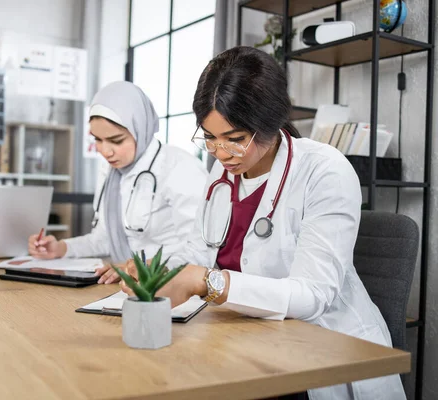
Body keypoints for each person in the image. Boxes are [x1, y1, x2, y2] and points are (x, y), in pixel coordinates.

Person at [121, 47, 405, 399]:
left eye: (235, 139)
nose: (221, 153)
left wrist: (208, 282)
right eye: (209, 138)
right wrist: (158, 270)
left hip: (319, 350)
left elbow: (311, 296)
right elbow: (201, 249)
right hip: (240, 338)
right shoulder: (222, 172)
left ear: (270, 122)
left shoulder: (324, 171)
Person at [28, 81, 207, 284]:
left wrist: (142, 267)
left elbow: (201, 251)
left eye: (116, 140)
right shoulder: (111, 172)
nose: (106, 151)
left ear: (141, 128)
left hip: (172, 286)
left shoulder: (179, 168)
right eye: (98, 139)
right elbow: (105, 238)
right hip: (124, 284)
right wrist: (62, 248)